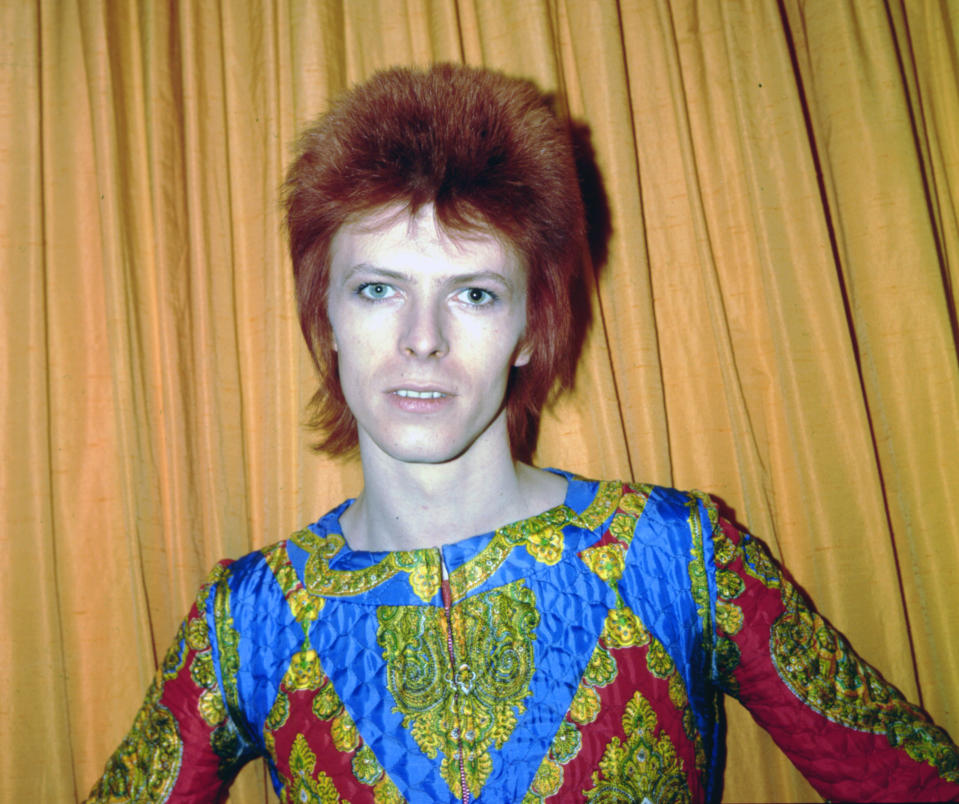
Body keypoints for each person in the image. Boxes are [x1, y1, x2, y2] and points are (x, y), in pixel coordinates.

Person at [85, 63, 959, 804]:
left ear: (534, 326)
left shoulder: (682, 561)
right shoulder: (248, 621)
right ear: (325, 318)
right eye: (378, 289)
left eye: (473, 293)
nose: (421, 338)